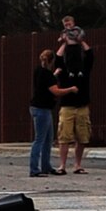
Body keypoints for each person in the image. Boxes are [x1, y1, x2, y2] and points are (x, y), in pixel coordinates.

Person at [51, 18, 93, 174]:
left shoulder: (84, 68)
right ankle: (62, 165)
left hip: (82, 105)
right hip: (67, 105)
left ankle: (77, 164)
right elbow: (58, 58)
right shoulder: (63, 68)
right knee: (64, 137)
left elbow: (90, 55)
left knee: (82, 137)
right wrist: (64, 43)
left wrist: (81, 41)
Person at [28, 47, 58, 177]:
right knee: (40, 139)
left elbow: (44, 82)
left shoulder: (38, 71)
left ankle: (46, 166)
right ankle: (34, 169)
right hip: (42, 109)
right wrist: (71, 89)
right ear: (52, 62)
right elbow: (55, 90)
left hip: (39, 107)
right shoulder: (48, 75)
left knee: (47, 139)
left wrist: (54, 75)